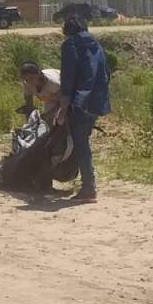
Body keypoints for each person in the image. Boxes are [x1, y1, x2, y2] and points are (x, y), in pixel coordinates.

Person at [56, 16, 111, 203]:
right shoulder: (97, 45)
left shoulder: (70, 45)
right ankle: (86, 183)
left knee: (80, 144)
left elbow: (68, 76)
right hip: (97, 102)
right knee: (83, 142)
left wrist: (64, 105)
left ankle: (89, 187)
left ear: (67, 31)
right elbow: (106, 73)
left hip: (80, 102)